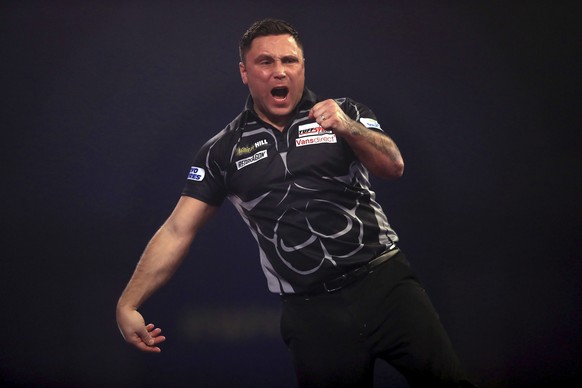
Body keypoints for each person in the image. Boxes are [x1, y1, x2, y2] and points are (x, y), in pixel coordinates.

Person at [117, 18, 475, 387]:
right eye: (266, 62)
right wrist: (128, 304)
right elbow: (178, 229)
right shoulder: (221, 151)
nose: (279, 72)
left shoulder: (345, 111)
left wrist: (348, 128)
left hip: (387, 287)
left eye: (289, 61)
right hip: (311, 312)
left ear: (303, 66)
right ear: (244, 72)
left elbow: (393, 166)